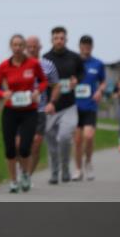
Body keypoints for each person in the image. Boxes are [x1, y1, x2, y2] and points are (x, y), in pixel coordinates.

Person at [0, 34, 48, 192]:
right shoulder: (4, 66)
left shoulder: (33, 63)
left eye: (20, 45)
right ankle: (13, 181)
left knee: (24, 148)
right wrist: (3, 94)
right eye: (14, 45)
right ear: (10, 46)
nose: (17, 48)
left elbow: (44, 81)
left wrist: (37, 92)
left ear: (24, 47)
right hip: (10, 111)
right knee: (10, 149)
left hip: (29, 111)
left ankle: (25, 175)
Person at [43, 26, 85, 184]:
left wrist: (77, 81)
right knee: (52, 142)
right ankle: (54, 173)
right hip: (51, 107)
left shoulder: (74, 57)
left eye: (62, 38)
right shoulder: (45, 58)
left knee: (65, 137)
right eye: (56, 38)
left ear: (66, 39)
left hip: (69, 105)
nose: (59, 40)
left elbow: (82, 73)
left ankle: (66, 168)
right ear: (51, 40)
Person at [25, 35, 60, 175]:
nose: (32, 49)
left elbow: (56, 85)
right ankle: (21, 169)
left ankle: (28, 175)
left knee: (36, 143)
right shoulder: (19, 64)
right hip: (21, 109)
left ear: (40, 47)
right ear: (25, 48)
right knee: (20, 145)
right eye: (29, 47)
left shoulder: (48, 65)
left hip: (39, 110)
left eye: (35, 46)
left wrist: (52, 102)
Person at [72, 35, 105, 181]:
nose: (86, 48)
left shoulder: (98, 64)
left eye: (88, 45)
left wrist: (99, 91)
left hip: (90, 105)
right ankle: (78, 169)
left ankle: (88, 162)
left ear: (92, 47)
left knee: (89, 136)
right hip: (74, 106)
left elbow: (103, 82)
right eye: (83, 45)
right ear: (79, 47)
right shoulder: (73, 62)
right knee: (78, 140)